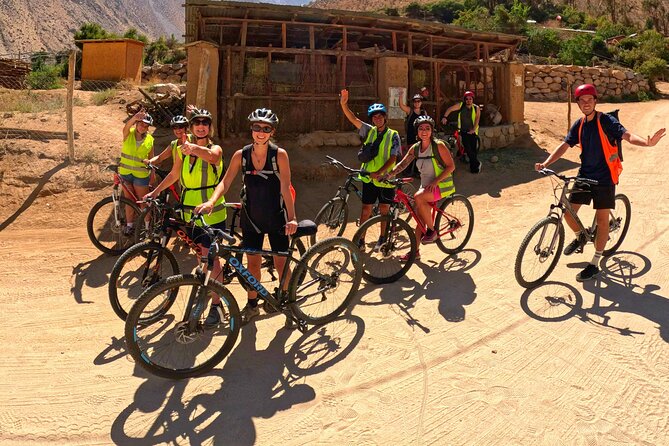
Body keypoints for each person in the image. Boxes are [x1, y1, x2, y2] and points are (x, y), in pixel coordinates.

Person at [535, 83, 665, 281]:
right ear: (577, 103)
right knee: (568, 211)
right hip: (585, 174)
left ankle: (595, 262)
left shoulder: (607, 121)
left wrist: (646, 143)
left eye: (590, 99)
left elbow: (627, 135)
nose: (586, 103)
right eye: (582, 100)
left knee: (602, 220)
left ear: (595, 101)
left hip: (605, 178)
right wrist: (546, 162)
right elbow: (565, 145)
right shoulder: (579, 124)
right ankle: (581, 236)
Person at [195, 108, 297, 326]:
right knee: (253, 265)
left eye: (266, 128)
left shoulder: (280, 155)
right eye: (257, 127)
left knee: (281, 265)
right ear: (251, 129)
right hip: (251, 218)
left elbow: (286, 188)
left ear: (272, 131)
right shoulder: (241, 155)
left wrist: (292, 218)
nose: (261, 132)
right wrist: (212, 201)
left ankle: (287, 302)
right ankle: (252, 305)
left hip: (277, 216)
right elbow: (225, 181)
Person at [143, 108, 227, 307]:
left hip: (211, 212)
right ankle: (206, 288)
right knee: (200, 255)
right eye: (197, 123)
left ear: (210, 127)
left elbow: (213, 157)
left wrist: (193, 148)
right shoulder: (183, 150)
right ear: (191, 128)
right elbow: (173, 174)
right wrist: (154, 193)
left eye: (205, 123)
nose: (200, 126)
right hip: (190, 211)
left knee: (211, 259)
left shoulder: (215, 148)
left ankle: (217, 304)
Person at [387, 115, 456, 260]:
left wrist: (436, 181)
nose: (424, 131)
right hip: (426, 186)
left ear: (432, 131)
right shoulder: (416, 148)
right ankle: (415, 252)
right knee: (419, 218)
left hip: (441, 185)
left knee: (418, 197)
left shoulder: (438, 146)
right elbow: (403, 163)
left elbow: (451, 167)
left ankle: (432, 231)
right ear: (417, 131)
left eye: (427, 128)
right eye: (421, 128)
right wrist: (390, 174)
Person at [340, 89, 401, 251]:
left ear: (385, 117)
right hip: (369, 178)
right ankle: (361, 240)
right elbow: (354, 119)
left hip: (385, 179)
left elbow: (393, 158)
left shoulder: (393, 135)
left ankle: (382, 238)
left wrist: (380, 172)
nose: (377, 119)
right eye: (374, 117)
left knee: (383, 210)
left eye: (380, 116)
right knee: (366, 209)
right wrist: (343, 104)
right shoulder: (369, 131)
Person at [120, 109, 155, 235]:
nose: (143, 127)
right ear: (136, 123)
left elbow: (151, 158)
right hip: (126, 173)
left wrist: (152, 173)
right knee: (128, 200)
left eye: (146, 126)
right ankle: (130, 226)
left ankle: (147, 227)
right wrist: (134, 118)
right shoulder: (128, 133)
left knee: (143, 202)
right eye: (141, 124)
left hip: (141, 175)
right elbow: (126, 126)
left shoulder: (150, 139)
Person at [441, 91, 482, 174]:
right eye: (467, 99)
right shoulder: (461, 105)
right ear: (464, 99)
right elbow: (450, 109)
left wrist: (473, 129)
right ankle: (477, 163)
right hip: (464, 131)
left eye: (470, 99)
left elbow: (477, 119)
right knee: (468, 149)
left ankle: (474, 168)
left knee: (473, 150)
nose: (468, 100)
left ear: (473, 99)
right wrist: (445, 117)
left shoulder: (476, 108)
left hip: (473, 132)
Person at [398, 93, 427, 177]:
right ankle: (407, 171)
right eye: (415, 101)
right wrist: (400, 96)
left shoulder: (424, 112)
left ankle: (417, 171)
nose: (417, 103)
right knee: (410, 154)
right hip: (411, 136)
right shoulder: (410, 111)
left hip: (421, 136)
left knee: (420, 154)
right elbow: (401, 106)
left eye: (419, 101)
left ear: (421, 102)